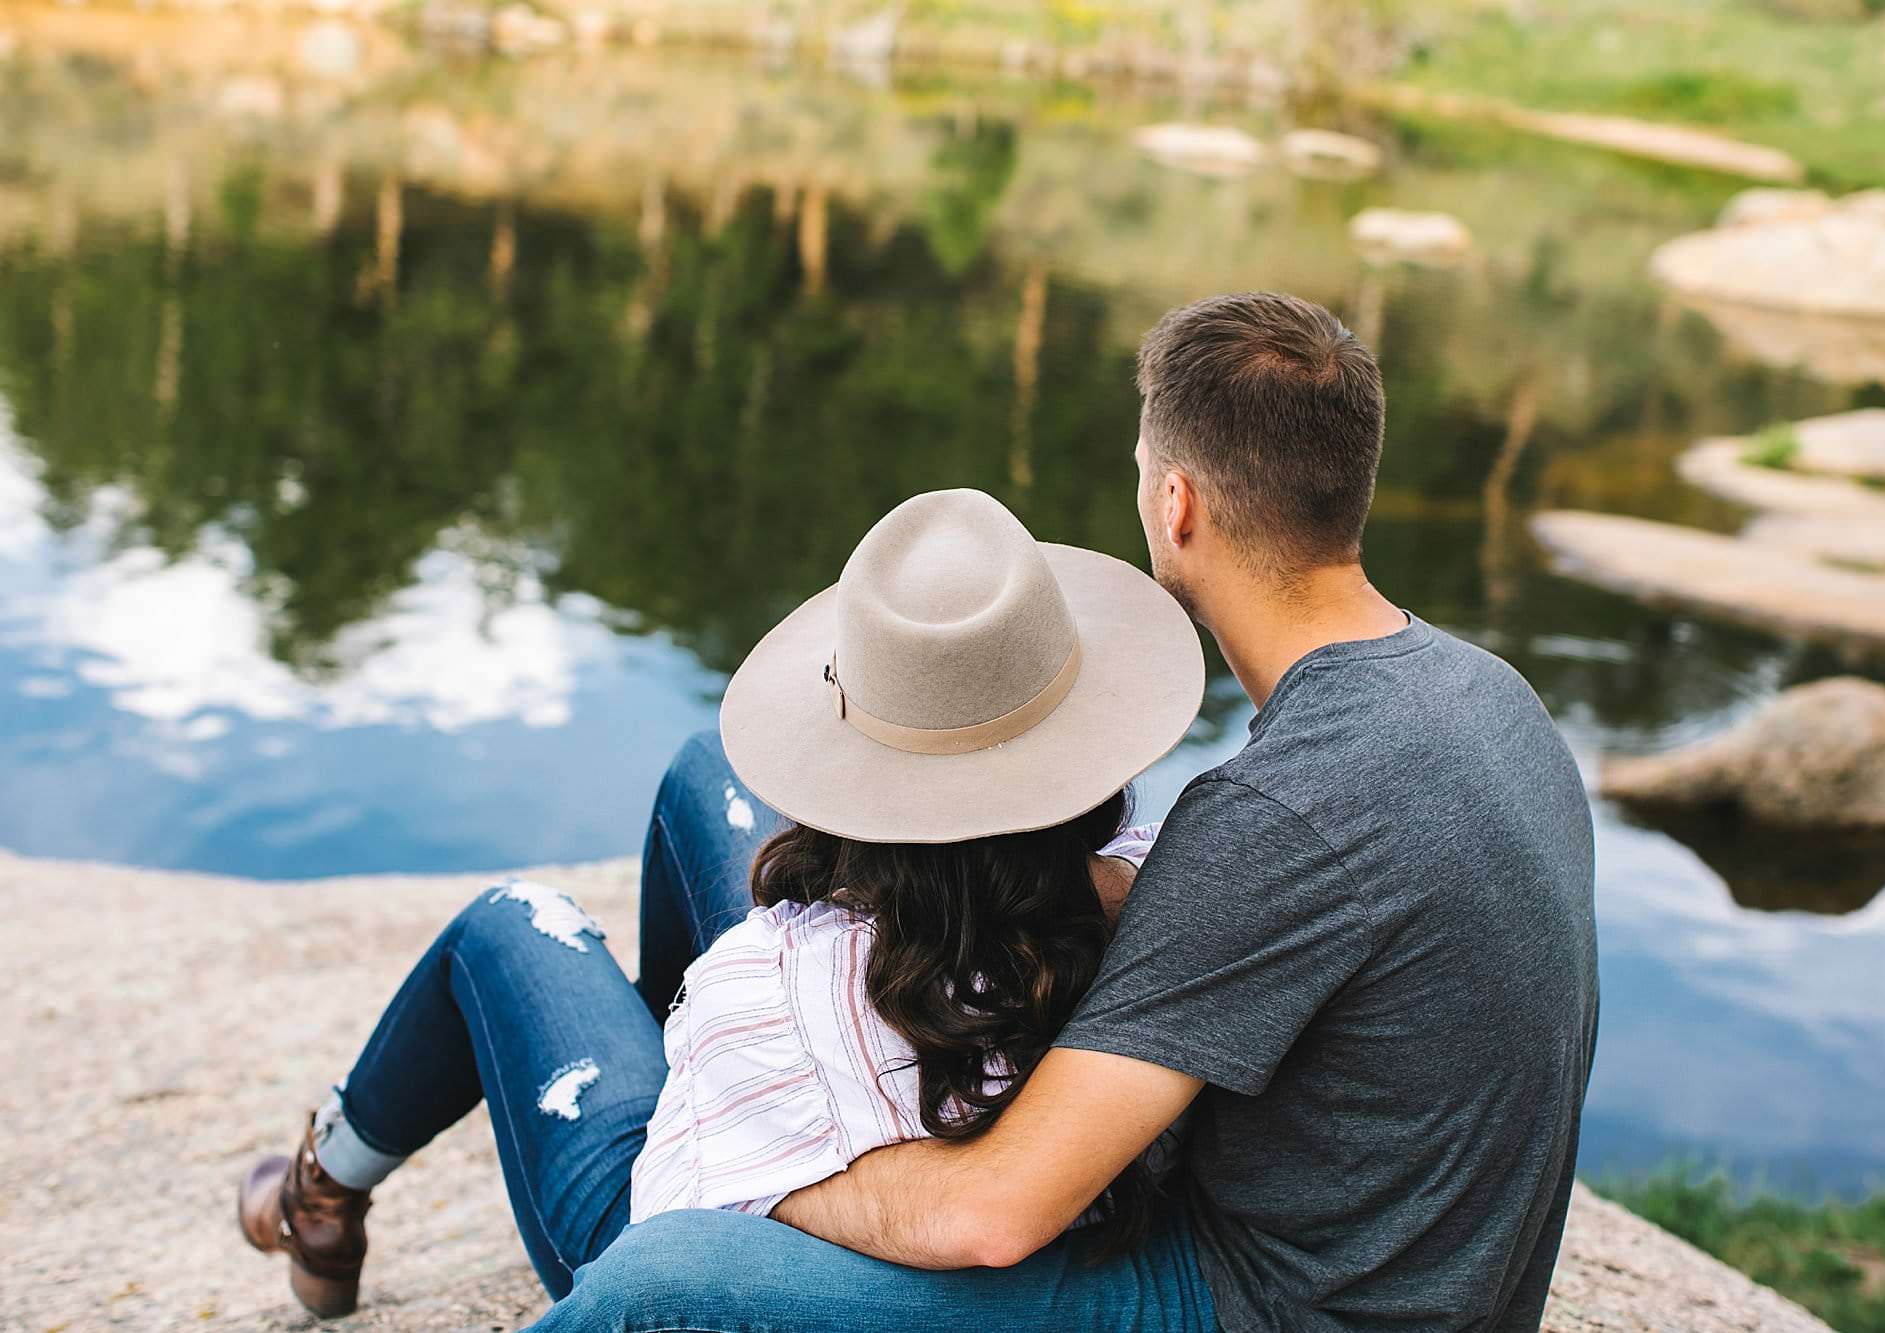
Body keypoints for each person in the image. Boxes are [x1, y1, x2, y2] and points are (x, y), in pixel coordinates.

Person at [532, 292, 1600, 1332]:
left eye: (1140, 475)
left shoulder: (1279, 813)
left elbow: (991, 1215)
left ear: (1174, 503)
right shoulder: (1492, 698)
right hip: (1441, 1285)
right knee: (705, 789)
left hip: (1254, 1304)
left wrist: (757, 1178)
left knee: (662, 1276)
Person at [234, 487, 1208, 1319]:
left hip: (709, 1252)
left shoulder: (778, 979)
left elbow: (675, 1208)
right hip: (956, 1112)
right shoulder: (1172, 890)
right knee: (706, 768)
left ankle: (320, 1190)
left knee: (515, 922)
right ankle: (329, 1186)